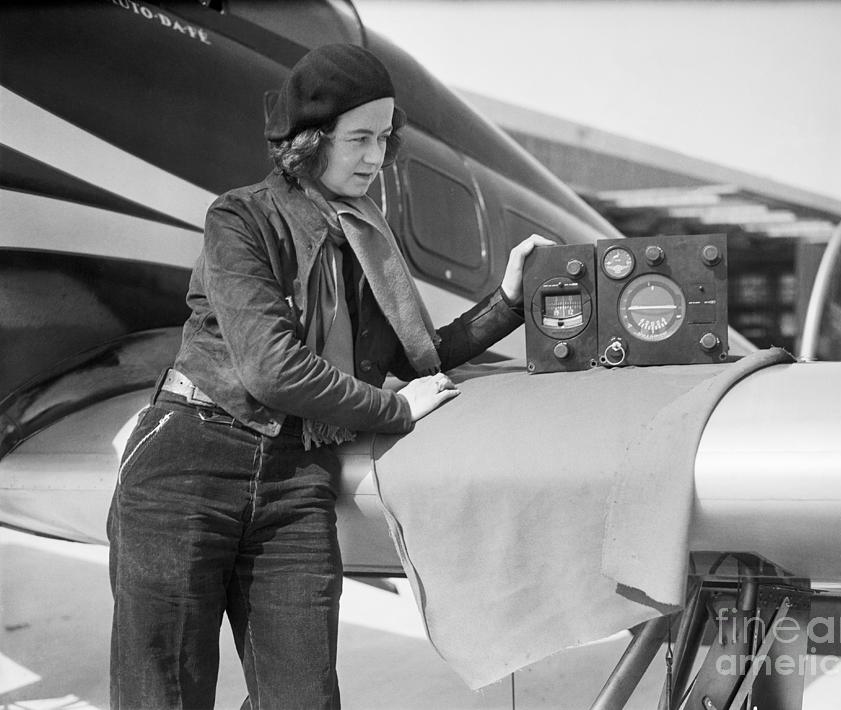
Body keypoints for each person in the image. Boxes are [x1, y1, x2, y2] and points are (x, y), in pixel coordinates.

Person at [107, 43, 551, 709]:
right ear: (311, 142)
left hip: (296, 478)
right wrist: (396, 411)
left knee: (304, 699)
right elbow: (272, 368)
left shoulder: (365, 235)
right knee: (163, 694)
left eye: (385, 138)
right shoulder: (241, 218)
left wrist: (509, 300)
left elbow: (418, 356)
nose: (377, 158)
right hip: (188, 464)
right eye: (361, 139)